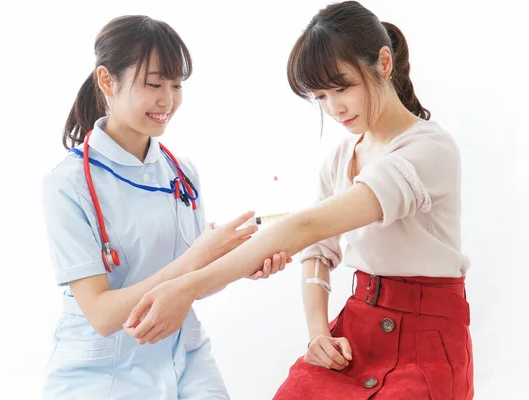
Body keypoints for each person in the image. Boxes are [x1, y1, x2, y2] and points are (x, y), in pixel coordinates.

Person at [124, 2, 474, 399]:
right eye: (321, 95)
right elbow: (316, 251)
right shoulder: (341, 159)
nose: (334, 107)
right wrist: (318, 333)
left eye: (343, 88)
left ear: (383, 62)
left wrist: (186, 287)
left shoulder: (427, 149)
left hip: (425, 341)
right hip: (356, 331)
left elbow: (305, 227)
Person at [41, 15, 289, 400]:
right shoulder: (69, 184)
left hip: (183, 355)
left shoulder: (180, 171)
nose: (168, 100)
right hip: (101, 370)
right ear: (107, 81)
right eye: (154, 84)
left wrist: (240, 263)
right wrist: (198, 259)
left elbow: (194, 284)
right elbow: (103, 316)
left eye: (175, 85)